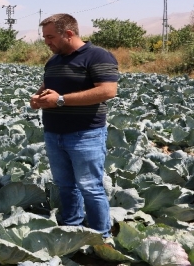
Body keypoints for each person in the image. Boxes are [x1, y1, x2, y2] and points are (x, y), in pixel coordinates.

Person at [30, 13, 118, 237]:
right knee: (65, 185)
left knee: (90, 187)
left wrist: (60, 100)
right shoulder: (54, 60)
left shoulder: (97, 56)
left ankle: (101, 236)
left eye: (50, 37)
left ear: (68, 34)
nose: (46, 42)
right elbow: (48, 86)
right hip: (54, 133)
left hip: (85, 134)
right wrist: (38, 98)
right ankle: (71, 229)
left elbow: (108, 91)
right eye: (45, 37)